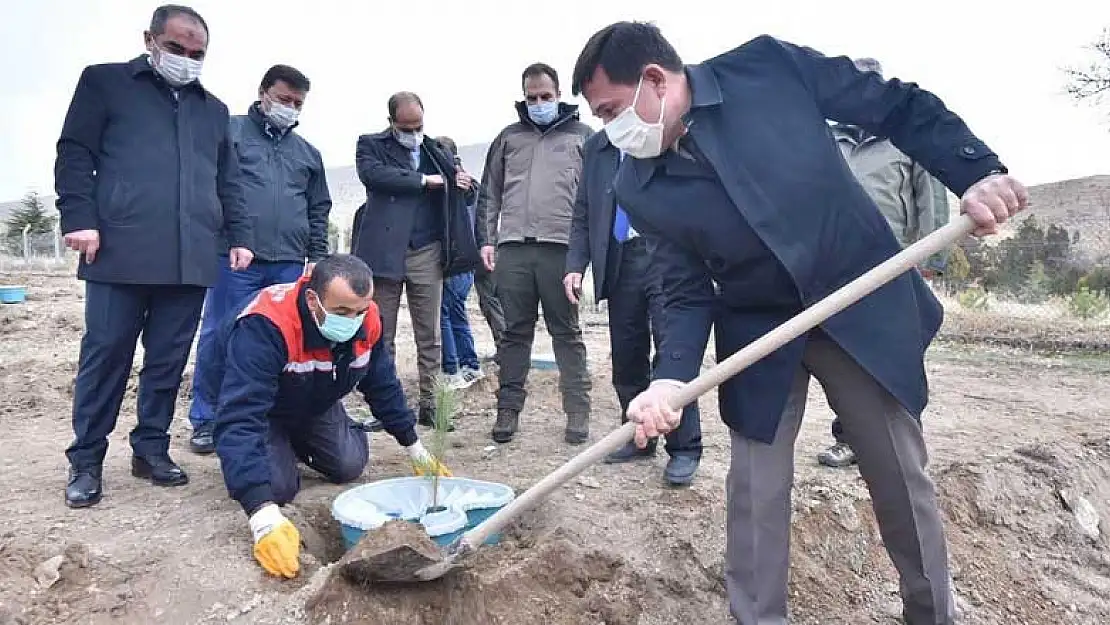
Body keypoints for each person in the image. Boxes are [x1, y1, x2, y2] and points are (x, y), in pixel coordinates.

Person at [571, 22, 1027, 625]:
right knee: (754, 493)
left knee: (897, 474)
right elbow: (682, 291)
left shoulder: (766, 70)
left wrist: (977, 171)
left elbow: (897, 105)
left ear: (654, 80)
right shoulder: (638, 182)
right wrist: (668, 379)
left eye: (609, 111)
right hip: (758, 329)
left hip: (856, 301)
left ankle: (930, 613)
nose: (610, 130)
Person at [55, 4, 253, 509]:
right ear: (150, 39)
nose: (187, 59)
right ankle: (86, 460)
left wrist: (239, 235)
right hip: (118, 249)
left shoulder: (211, 109)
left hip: (190, 258)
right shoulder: (105, 83)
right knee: (106, 357)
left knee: (167, 362)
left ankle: (151, 449)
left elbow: (226, 180)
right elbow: (75, 152)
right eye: (177, 48)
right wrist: (80, 218)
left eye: (197, 53)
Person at [200, 254, 451, 579]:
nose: (353, 321)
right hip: (264, 409)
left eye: (360, 311)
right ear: (312, 299)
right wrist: (261, 517)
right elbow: (240, 417)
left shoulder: (368, 320)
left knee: (348, 465)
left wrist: (414, 446)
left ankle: (298, 439)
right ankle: (276, 446)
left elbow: (382, 383)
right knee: (277, 488)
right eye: (342, 312)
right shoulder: (266, 324)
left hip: (314, 399)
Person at [187, 64, 332, 455]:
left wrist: (315, 256)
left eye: (298, 103)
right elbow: (206, 186)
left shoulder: (308, 154)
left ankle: (267, 416)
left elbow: (318, 207)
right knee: (220, 333)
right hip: (235, 257)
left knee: (280, 339)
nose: (290, 107)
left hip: (288, 260)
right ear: (264, 92)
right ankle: (206, 418)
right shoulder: (230, 133)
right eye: (284, 99)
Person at [817, 56, 952, 469]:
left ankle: (903, 436)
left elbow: (931, 199)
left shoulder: (903, 136)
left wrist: (930, 257)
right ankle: (850, 438)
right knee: (846, 353)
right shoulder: (827, 137)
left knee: (896, 350)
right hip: (837, 264)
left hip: (894, 262)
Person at [565, 132, 702, 485]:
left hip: (666, 253)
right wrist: (575, 264)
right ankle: (640, 436)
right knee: (627, 351)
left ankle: (684, 448)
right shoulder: (597, 148)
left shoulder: (662, 132)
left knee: (670, 349)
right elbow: (584, 210)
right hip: (618, 258)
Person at [475, 63, 594, 445]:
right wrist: (488, 239)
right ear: (523, 97)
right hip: (513, 250)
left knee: (567, 333)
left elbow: (593, 200)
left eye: (546, 96)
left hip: (560, 250)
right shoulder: (509, 138)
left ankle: (578, 412)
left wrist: (584, 253)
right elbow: (490, 192)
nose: (539, 103)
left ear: (558, 95)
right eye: (532, 97)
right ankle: (507, 410)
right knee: (513, 334)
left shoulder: (583, 137)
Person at [353, 92, 479, 430]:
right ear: (391, 122)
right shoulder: (370, 146)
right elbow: (376, 176)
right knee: (382, 334)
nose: (413, 132)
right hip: (385, 255)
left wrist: (462, 183)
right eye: (406, 127)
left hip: (426, 251)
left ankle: (432, 405)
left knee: (431, 335)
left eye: (418, 126)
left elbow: (463, 184)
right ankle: (385, 408)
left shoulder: (433, 150)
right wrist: (425, 181)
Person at [435, 135, 486, 389]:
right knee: (456, 312)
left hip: (453, 260)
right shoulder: (471, 185)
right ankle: (471, 364)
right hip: (468, 261)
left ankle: (452, 369)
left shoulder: (454, 186)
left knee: (443, 313)